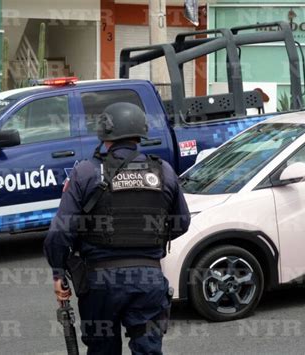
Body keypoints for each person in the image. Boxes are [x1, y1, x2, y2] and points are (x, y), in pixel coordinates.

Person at [44, 102, 190, 354]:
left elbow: (58, 234)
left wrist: (59, 273)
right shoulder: (163, 170)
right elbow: (182, 222)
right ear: (140, 133)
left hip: (99, 282)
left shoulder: (86, 172)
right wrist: (150, 239)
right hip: (148, 279)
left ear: (104, 134)